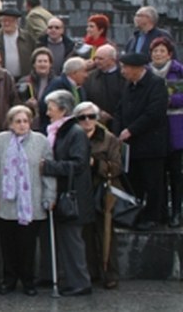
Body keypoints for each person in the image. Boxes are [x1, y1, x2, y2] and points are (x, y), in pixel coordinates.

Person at [0, 105, 56, 296]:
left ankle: (28, 281)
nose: (22, 125)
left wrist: (50, 196)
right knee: (7, 245)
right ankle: (9, 280)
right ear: (10, 124)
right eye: (18, 121)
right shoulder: (0, 140)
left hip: (31, 202)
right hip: (6, 202)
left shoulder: (41, 141)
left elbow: (48, 171)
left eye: (25, 121)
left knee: (28, 245)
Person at [42, 90, 94, 296]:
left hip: (74, 195)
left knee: (72, 241)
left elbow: (79, 164)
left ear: (63, 110)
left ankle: (80, 282)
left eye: (51, 108)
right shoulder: (61, 131)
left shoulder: (75, 133)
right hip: (65, 192)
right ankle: (68, 278)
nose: (47, 113)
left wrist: (49, 167)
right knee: (66, 240)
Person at [114, 52, 169, 230]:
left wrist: (131, 130)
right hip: (132, 146)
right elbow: (120, 109)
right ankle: (135, 214)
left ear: (137, 69)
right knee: (134, 181)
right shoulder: (129, 86)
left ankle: (154, 216)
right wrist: (118, 130)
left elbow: (154, 113)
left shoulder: (156, 84)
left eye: (126, 68)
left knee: (153, 182)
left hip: (150, 144)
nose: (123, 71)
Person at [73, 101, 121, 289]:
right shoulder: (73, 137)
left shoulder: (109, 139)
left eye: (91, 116)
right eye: (82, 117)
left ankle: (110, 274)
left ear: (97, 118)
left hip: (103, 191)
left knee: (106, 233)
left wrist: (95, 163)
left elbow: (116, 167)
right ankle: (91, 272)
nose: (87, 121)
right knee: (85, 234)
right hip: (81, 191)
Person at [148, 37, 183, 227]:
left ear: (169, 54)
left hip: (176, 127)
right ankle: (159, 212)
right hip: (154, 129)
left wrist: (171, 101)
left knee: (176, 173)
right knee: (157, 174)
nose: (158, 54)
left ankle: (177, 212)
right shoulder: (146, 72)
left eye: (162, 51)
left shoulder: (178, 71)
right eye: (155, 51)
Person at [82, 44, 123, 131]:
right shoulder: (90, 77)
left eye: (101, 59)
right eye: (95, 58)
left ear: (112, 60)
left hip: (120, 123)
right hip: (96, 122)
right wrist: (98, 112)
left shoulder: (124, 77)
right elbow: (86, 97)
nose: (96, 61)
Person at [0, 8, 35, 80]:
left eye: (10, 21)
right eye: (4, 21)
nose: (6, 23)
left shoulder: (27, 37)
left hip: (24, 78)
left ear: (16, 22)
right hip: (1, 79)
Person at [16, 48, 55, 130]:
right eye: (39, 61)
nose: (42, 64)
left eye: (45, 61)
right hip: (29, 122)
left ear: (50, 64)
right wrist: (26, 104)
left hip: (50, 122)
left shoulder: (56, 82)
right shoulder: (24, 81)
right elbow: (16, 102)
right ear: (34, 64)